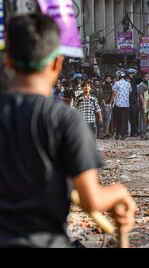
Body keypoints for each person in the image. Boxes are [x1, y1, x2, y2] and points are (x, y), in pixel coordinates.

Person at [0, 13, 135, 248]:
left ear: (8, 61)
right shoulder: (65, 120)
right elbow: (91, 200)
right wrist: (119, 193)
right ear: (57, 63)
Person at [112, 72, 132, 140]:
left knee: (117, 119)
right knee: (124, 120)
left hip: (118, 104)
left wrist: (112, 102)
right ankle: (123, 135)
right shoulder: (128, 84)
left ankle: (117, 134)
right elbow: (129, 94)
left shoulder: (116, 83)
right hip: (126, 104)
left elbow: (114, 94)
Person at [127, 69, 139, 137]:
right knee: (130, 117)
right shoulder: (127, 81)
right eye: (131, 73)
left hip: (134, 101)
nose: (132, 75)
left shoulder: (135, 81)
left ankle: (134, 132)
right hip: (128, 101)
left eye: (133, 73)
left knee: (135, 117)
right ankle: (131, 132)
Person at [137, 73, 149, 139]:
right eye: (146, 77)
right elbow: (141, 96)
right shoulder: (141, 85)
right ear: (143, 78)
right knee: (142, 118)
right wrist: (143, 104)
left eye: (148, 76)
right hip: (142, 104)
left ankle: (147, 133)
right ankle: (142, 133)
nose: (147, 78)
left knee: (147, 119)